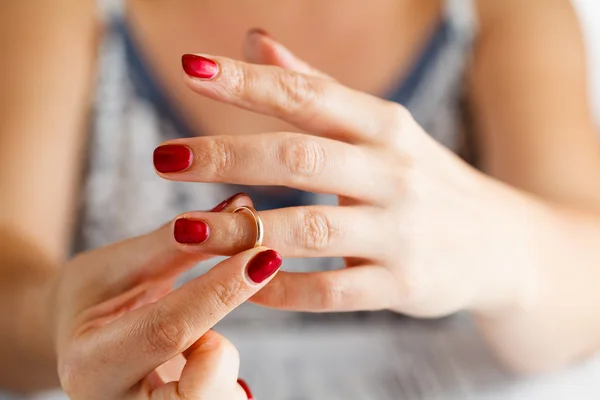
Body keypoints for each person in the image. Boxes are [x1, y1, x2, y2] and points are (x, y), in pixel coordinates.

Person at [2, 0, 600, 398]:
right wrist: (59, 317)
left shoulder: (505, 12)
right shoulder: (61, 12)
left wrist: (497, 248)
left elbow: (586, 299)